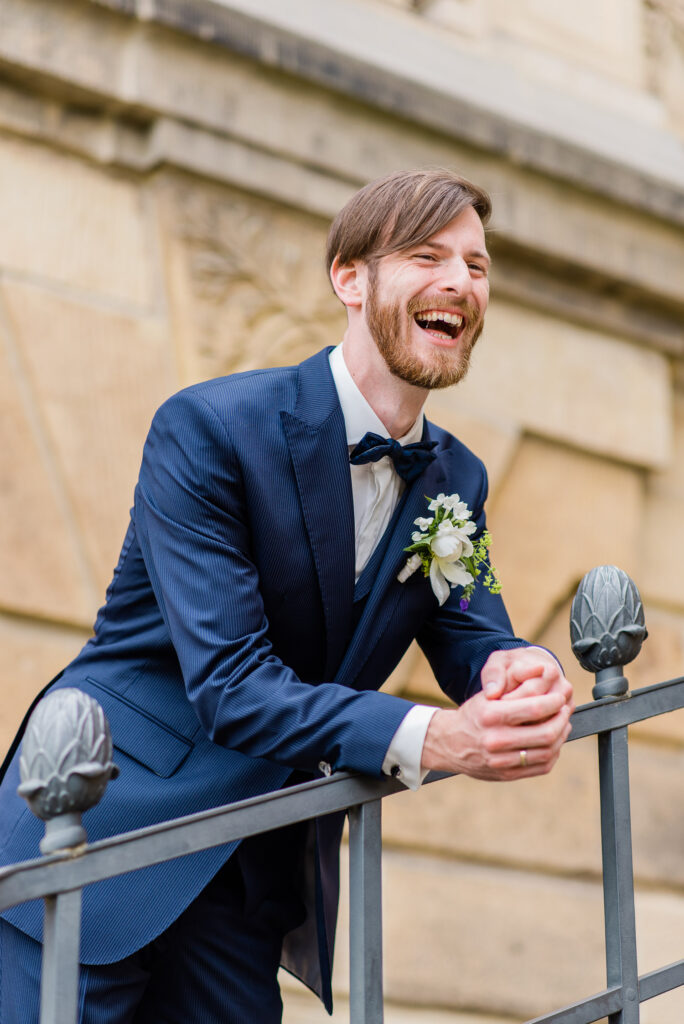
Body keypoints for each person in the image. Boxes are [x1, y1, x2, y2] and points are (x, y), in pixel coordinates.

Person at [0, 169, 573, 1023]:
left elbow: (468, 633)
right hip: (105, 831)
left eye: (477, 266)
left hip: (253, 867)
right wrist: (434, 738)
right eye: (427, 255)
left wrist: (520, 672)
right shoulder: (210, 428)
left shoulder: (456, 475)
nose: (460, 281)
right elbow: (230, 683)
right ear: (349, 278)